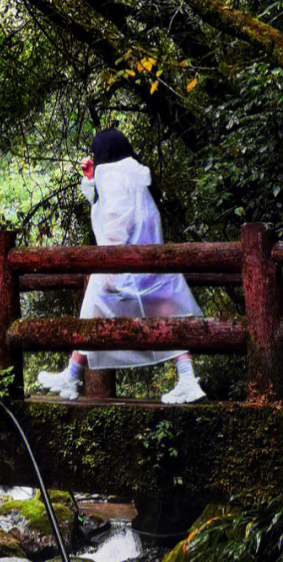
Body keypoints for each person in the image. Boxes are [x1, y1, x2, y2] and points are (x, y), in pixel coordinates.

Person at [36, 127, 206, 404]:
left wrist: (109, 263)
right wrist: (92, 181)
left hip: (127, 264)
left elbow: (114, 217)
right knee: (160, 313)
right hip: (149, 264)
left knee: (98, 301)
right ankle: (185, 377)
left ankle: (73, 373)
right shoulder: (133, 173)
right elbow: (115, 207)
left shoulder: (114, 176)